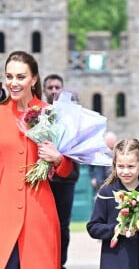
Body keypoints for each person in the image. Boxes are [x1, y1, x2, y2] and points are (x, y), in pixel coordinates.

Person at [0, 51, 73, 268]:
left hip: (39, 213)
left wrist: (58, 159)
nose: (13, 83)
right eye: (9, 76)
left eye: (20, 77)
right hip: (3, 214)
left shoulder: (51, 114)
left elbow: (68, 168)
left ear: (33, 79)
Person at [86, 138, 139, 269]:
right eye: (121, 166)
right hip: (113, 261)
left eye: (131, 166)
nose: (125, 171)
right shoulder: (106, 192)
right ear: (114, 165)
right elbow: (93, 227)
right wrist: (114, 229)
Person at [43, 73, 80, 269]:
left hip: (67, 178)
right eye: (50, 88)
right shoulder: (38, 114)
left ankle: (60, 262)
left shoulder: (72, 116)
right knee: (44, 224)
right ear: (44, 91)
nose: (54, 91)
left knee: (62, 225)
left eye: (58, 87)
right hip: (44, 179)